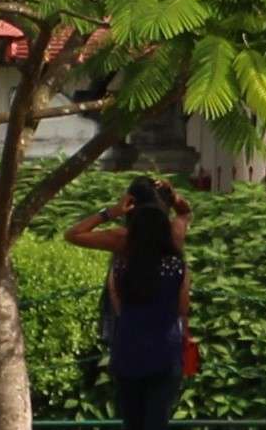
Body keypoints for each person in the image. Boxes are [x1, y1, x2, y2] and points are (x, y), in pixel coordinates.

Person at [66, 179, 196, 430]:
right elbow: (186, 213)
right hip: (166, 349)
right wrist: (175, 196)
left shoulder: (121, 242)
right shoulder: (174, 240)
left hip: (128, 346)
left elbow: (73, 234)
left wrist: (110, 212)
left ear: (131, 207)